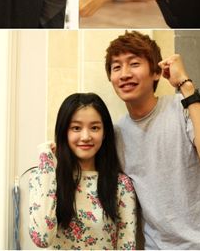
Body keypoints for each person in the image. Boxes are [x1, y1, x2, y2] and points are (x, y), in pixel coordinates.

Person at [106, 31, 200, 249]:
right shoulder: (117, 134)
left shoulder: (185, 107)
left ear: (156, 72)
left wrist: (185, 85)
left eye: (134, 63)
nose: (124, 74)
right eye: (116, 67)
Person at [28, 93, 136, 249]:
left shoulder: (121, 185)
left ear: (104, 133)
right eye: (76, 128)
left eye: (94, 128)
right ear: (64, 131)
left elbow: (127, 246)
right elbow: (42, 238)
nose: (85, 137)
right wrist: (46, 162)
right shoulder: (44, 177)